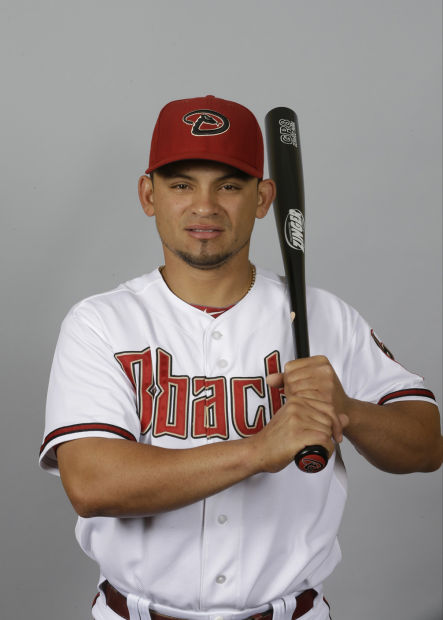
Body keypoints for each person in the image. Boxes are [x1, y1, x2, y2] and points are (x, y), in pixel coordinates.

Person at [39, 95, 442, 620]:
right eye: (181, 184)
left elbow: (426, 445)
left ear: (263, 197)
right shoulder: (100, 323)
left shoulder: (324, 316)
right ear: (148, 194)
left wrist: (348, 410)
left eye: (228, 185)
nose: (204, 206)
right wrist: (260, 450)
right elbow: (93, 484)